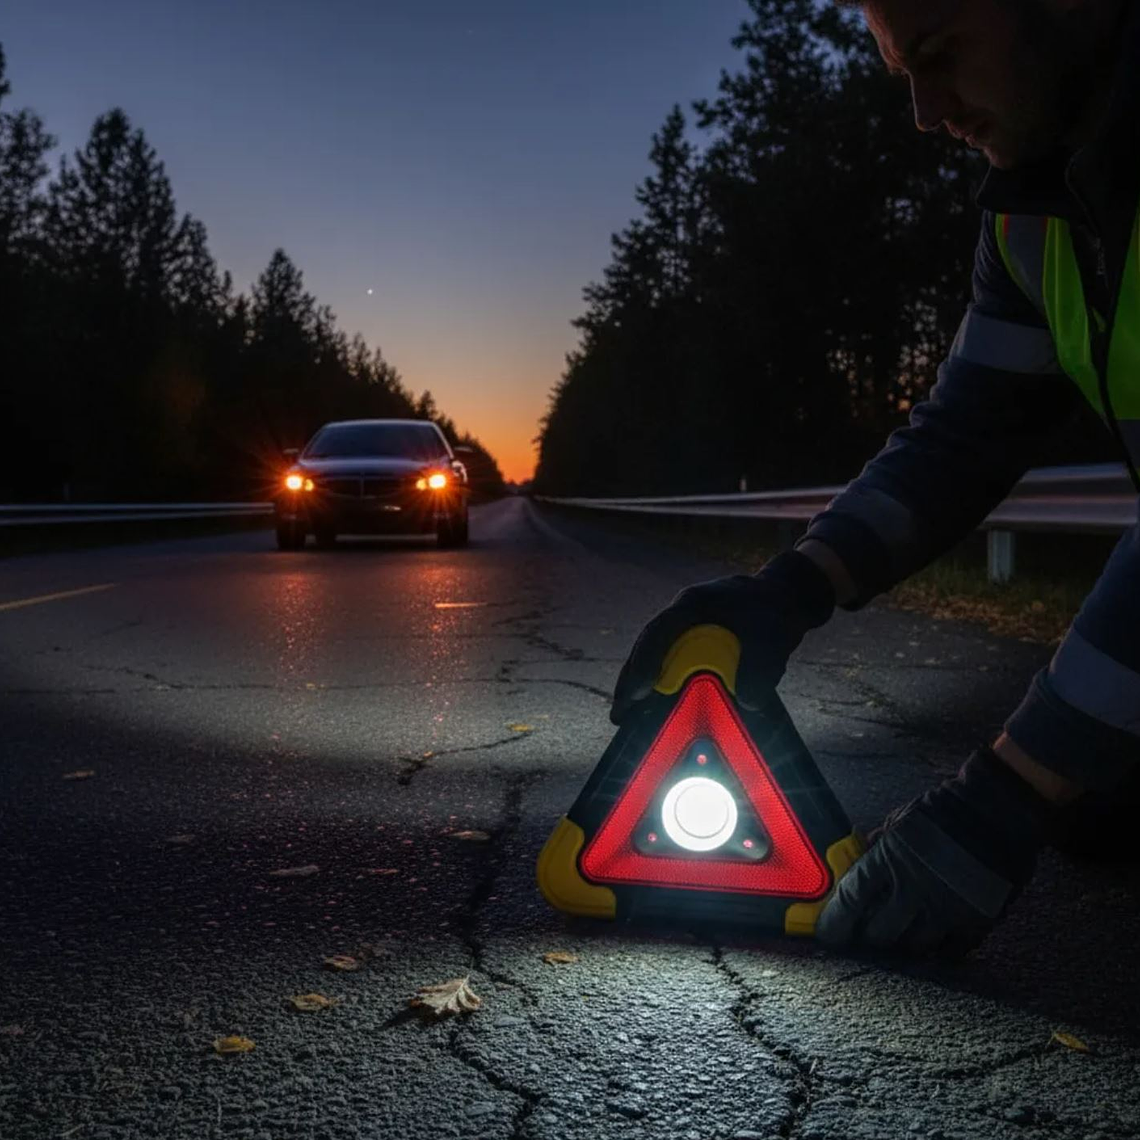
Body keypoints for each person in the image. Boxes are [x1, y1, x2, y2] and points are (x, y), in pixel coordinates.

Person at [611, 0, 1140, 955]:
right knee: (1102, 801)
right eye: (903, 74)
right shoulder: (1037, 211)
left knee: (1076, 775)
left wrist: (1009, 792)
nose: (927, 112)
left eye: (940, 57)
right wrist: (795, 587)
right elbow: (963, 436)